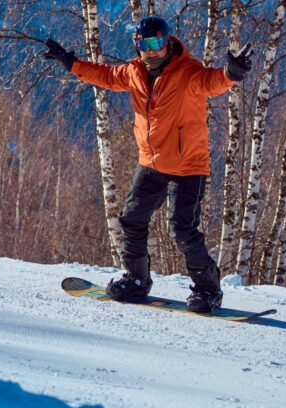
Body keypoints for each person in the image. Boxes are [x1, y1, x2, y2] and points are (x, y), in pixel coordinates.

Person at [44, 16, 253, 312]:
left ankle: (208, 290)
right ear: (137, 46)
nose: (150, 50)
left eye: (156, 43)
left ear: (167, 43)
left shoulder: (187, 72)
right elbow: (105, 75)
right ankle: (137, 280)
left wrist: (232, 73)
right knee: (131, 219)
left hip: (188, 166)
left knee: (182, 229)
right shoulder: (134, 72)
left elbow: (212, 82)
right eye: (144, 44)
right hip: (152, 163)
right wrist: (71, 63)